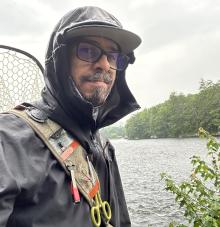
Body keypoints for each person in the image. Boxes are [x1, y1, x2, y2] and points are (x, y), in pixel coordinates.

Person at [0, 6, 141, 227]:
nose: (104, 64)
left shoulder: (104, 147)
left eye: (113, 56)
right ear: (60, 60)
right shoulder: (8, 140)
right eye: (87, 50)